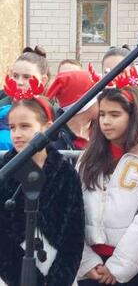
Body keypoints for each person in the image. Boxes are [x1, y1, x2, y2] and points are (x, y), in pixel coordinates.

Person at [76, 80, 138, 286]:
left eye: (115, 115)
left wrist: (119, 266)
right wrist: (86, 261)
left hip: (130, 268)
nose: (106, 121)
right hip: (90, 267)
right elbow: (73, 208)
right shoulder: (88, 159)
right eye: (102, 114)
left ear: (134, 116)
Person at [0, 77, 85, 286]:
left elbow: (74, 233)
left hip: (57, 270)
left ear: (47, 128)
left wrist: (59, 279)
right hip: (13, 274)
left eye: (25, 126)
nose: (17, 134)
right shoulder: (5, 172)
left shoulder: (65, 173)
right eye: (12, 127)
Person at [1, 46, 52, 150]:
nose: (19, 82)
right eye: (15, 76)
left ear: (43, 80)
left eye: (26, 77)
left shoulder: (52, 111)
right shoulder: (2, 106)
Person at [47, 69, 100, 150]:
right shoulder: (54, 139)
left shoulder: (102, 129)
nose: (103, 101)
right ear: (84, 105)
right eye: (98, 97)